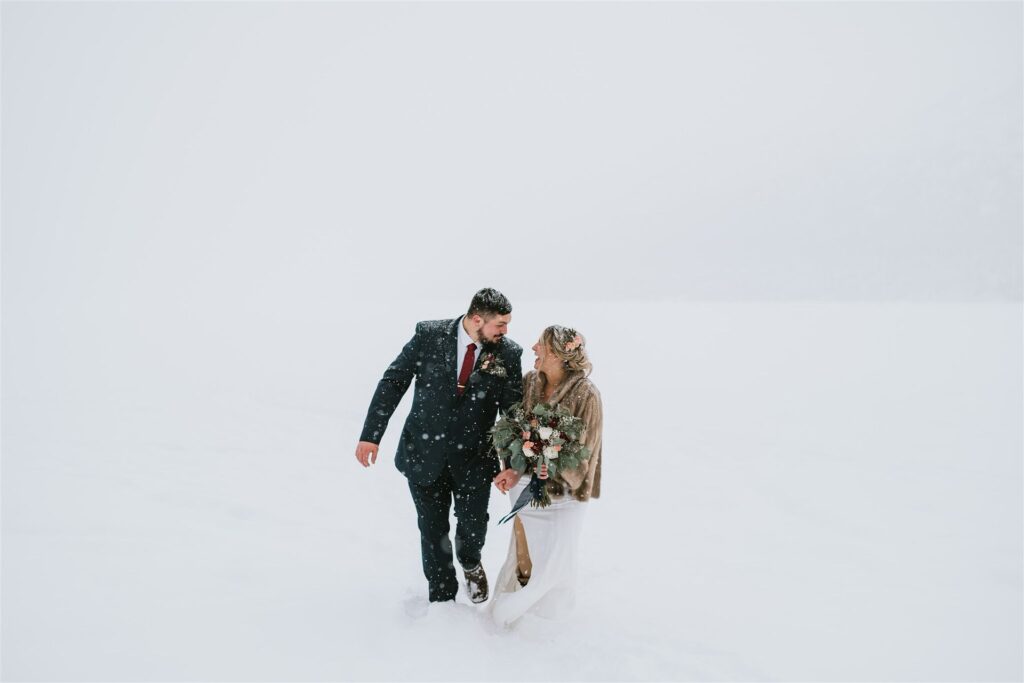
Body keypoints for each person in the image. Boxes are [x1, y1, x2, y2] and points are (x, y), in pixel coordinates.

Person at [355, 288, 524, 603]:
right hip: (423, 452)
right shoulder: (428, 335)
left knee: (473, 528)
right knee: (432, 531)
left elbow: (511, 411)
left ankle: (471, 562)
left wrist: (511, 464)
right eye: (500, 324)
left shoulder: (508, 353)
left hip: (475, 457)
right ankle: (443, 598)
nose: (505, 331)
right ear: (477, 319)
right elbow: (394, 381)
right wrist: (371, 435)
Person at [488, 325, 603, 626]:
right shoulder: (530, 383)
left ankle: (548, 621)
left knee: (557, 558)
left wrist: (548, 453)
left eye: (540, 345)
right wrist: (513, 469)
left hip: (566, 495)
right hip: (528, 489)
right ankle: (517, 616)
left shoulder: (587, 394)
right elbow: (515, 431)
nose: (533, 349)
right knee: (525, 556)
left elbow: (584, 453)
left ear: (556, 354)